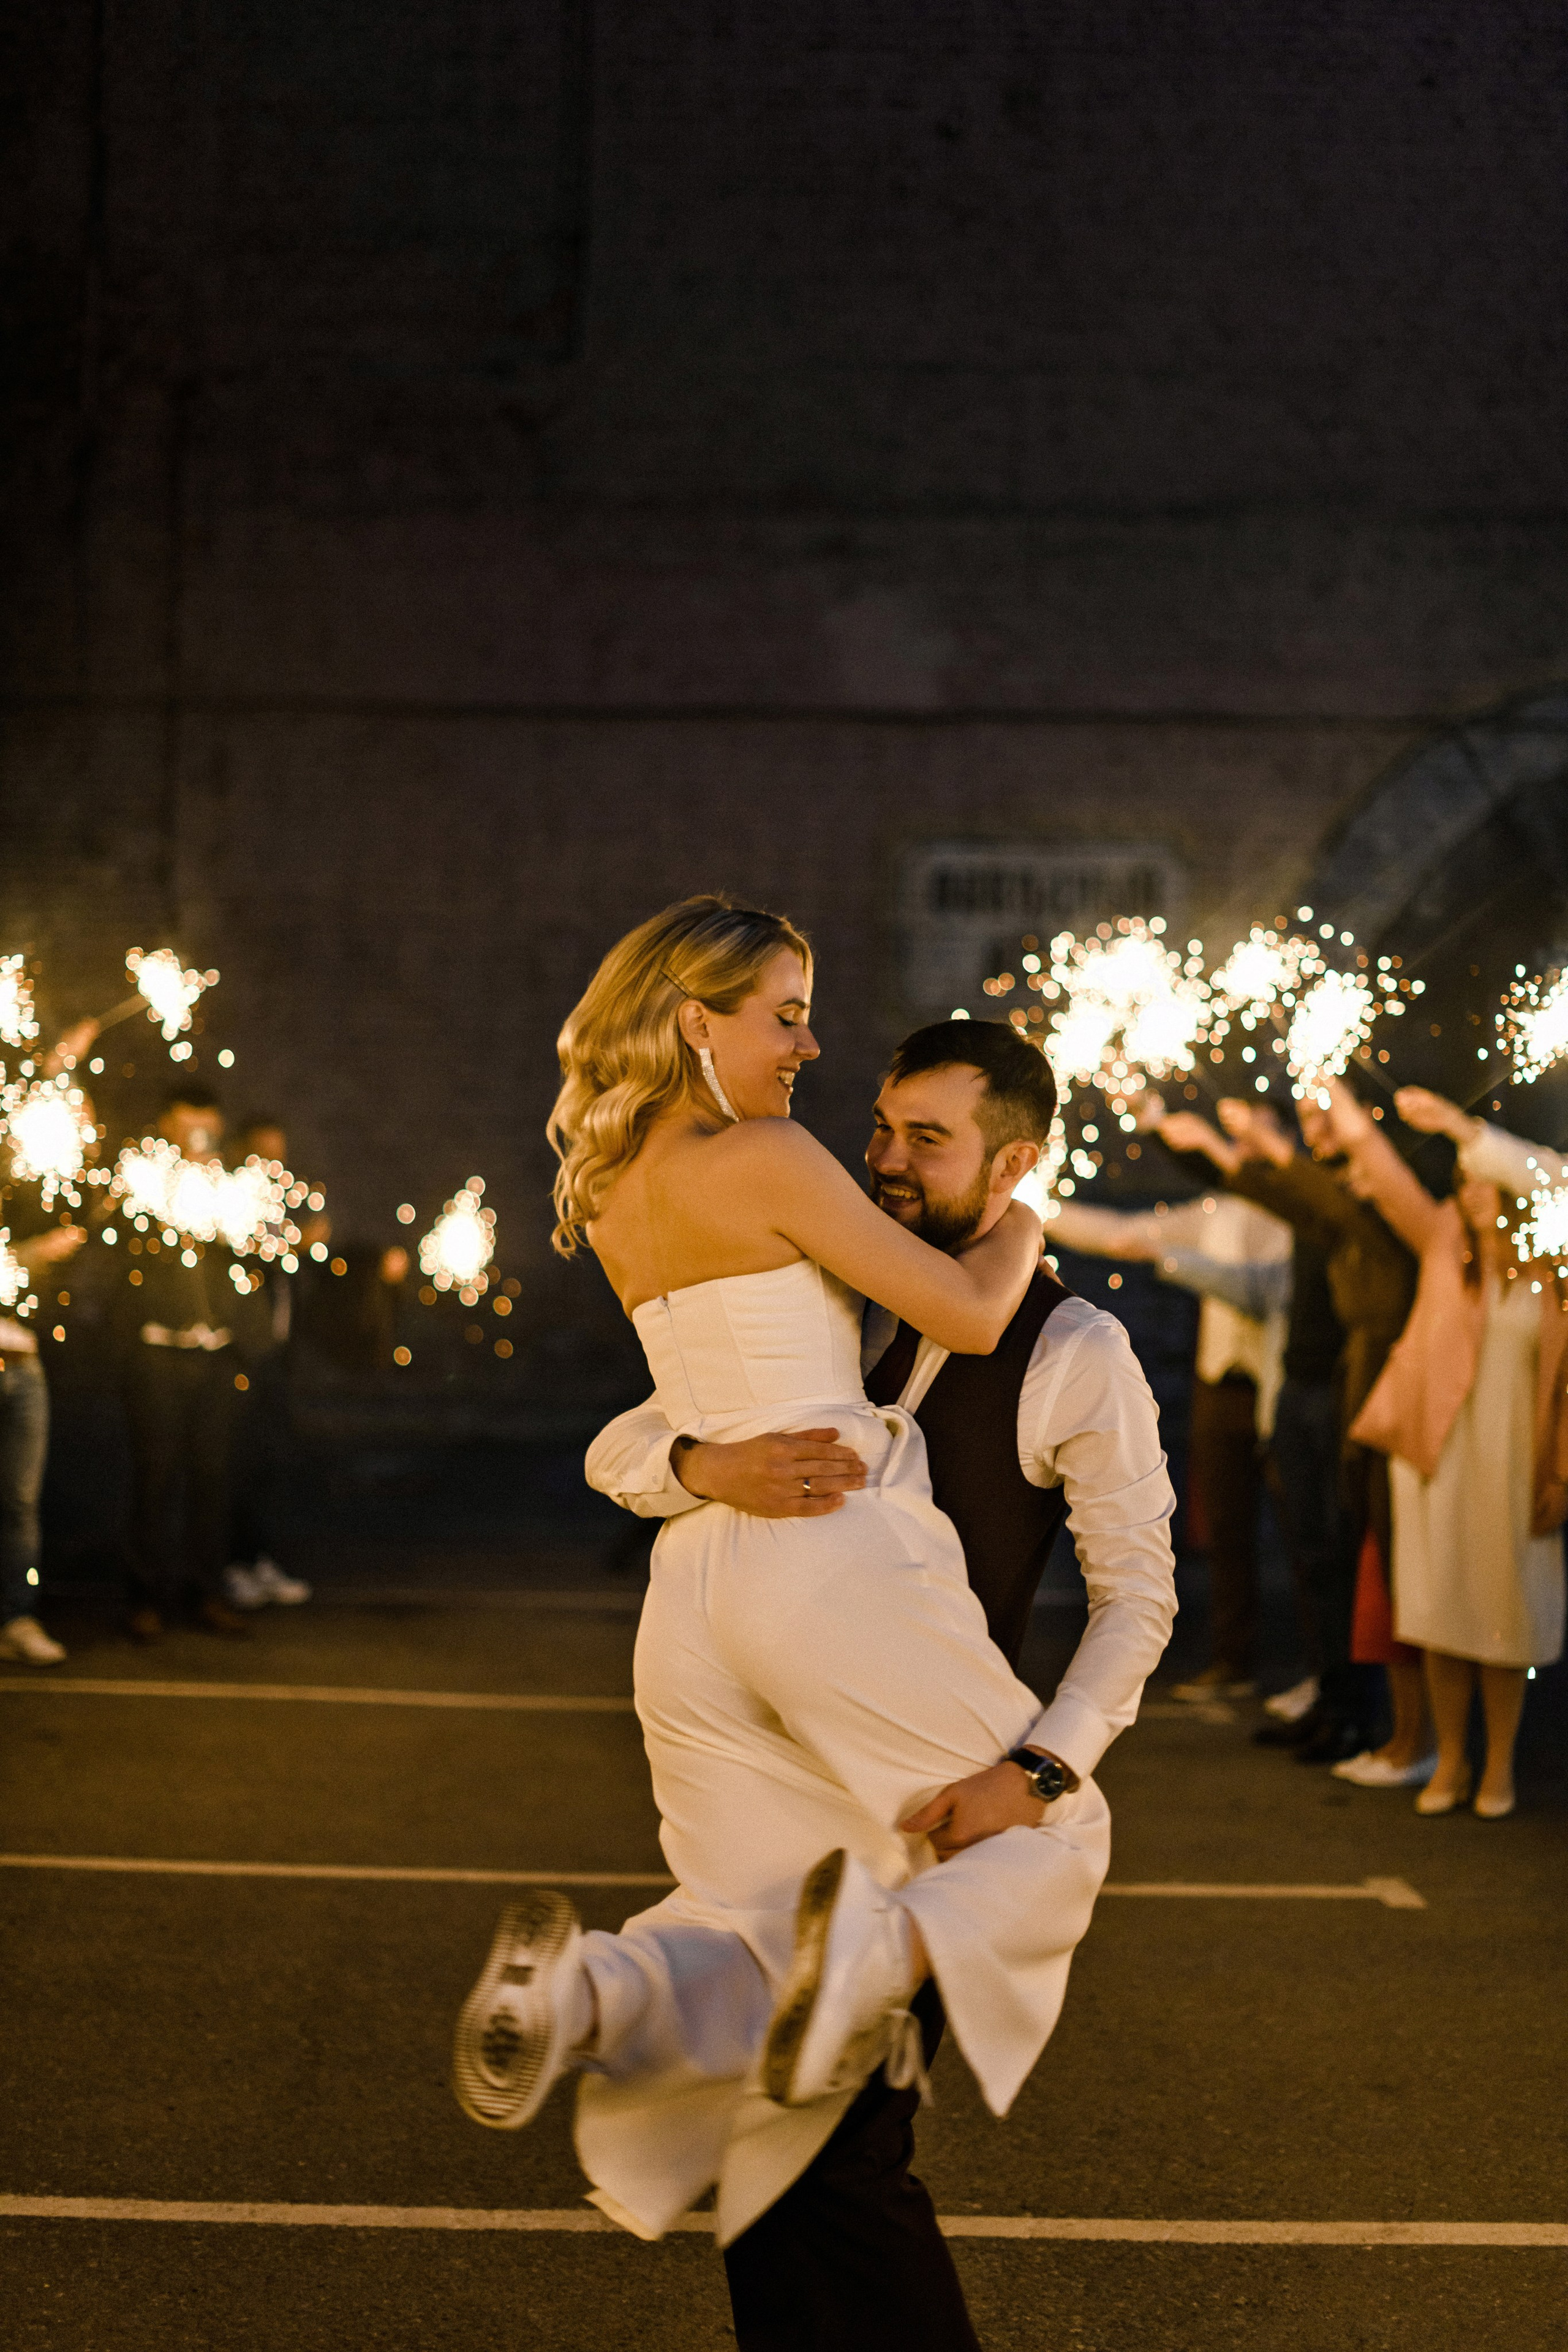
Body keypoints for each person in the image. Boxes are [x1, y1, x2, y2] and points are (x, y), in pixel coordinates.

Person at [450, 898, 1173, 2348]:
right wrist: (1025, 1212)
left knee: (750, 1956)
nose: (874, 1145)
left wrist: (695, 1464)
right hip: (818, 1580)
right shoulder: (789, 1185)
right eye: (788, 1015)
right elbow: (951, 1320)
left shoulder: (627, 1180)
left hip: (702, 1607)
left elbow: (1133, 1590)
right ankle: (864, 1961)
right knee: (1058, 1832)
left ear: (1007, 1149)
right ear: (692, 1018)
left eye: (927, 1139)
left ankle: (598, 1983)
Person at [1156, 1095, 1417, 1771]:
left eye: (1324, 1119)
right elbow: (1284, 1199)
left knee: (1337, 1555)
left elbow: (1324, 1205)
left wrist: (1271, 1147)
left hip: (1338, 1394)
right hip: (1300, 1393)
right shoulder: (1317, 1194)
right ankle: (1332, 1705)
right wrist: (1213, 1149)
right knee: (1314, 1557)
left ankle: (1355, 1713)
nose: (1312, 1130)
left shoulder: (1363, 1205)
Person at [1335, 1081, 1567, 1818]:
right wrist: (1329, 1086)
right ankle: (1452, 1761)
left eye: (1480, 1182)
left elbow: (1553, 1176)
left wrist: (1461, 1127)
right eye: (1462, 1183)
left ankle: (1497, 1766)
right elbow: (1383, 1171)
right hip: (1438, 1460)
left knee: (1505, 1616)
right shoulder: (1442, 1245)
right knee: (1438, 1613)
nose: (1466, 1194)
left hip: (1514, 1464)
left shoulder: (1555, 1272)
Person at [1043, 1182, 1287, 1704]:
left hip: (1280, 1389)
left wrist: (1172, 1259)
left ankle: (1316, 1678)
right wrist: (1042, 1208)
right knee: (1224, 1529)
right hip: (1219, 1387)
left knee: (1305, 1536)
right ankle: (1234, 1659)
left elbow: (1258, 1292)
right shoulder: (1217, 1211)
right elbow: (1123, 1233)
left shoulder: (1297, 1213)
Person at [118, 1084, 266, 1640]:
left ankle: (206, 1591)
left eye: (207, 1125)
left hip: (217, 1357)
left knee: (213, 1479)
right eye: (187, 1126)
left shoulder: (231, 1187)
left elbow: (258, 1244)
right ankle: (143, 1599)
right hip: (157, 1352)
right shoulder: (145, 1179)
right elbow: (120, 1234)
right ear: (167, 1126)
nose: (199, 1136)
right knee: (154, 1480)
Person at [221, 1116, 312, 1611]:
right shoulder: (226, 1206)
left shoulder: (278, 1211)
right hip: (237, 1362)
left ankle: (260, 1560)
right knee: (235, 1466)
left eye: (277, 1155)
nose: (271, 1166)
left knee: (270, 1466)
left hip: (275, 1362)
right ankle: (233, 1566)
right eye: (261, 1154)